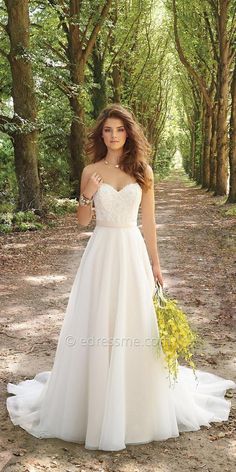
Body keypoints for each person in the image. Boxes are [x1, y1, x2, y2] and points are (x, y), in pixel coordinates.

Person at [6, 103, 236, 452]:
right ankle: (93, 406)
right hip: (100, 253)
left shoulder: (142, 170)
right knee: (97, 322)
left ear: (129, 133)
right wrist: (86, 195)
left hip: (131, 254)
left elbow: (148, 224)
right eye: (107, 130)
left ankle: (134, 408)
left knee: (133, 325)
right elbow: (84, 222)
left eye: (119, 130)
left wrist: (156, 266)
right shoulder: (90, 170)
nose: (113, 136)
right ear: (101, 135)